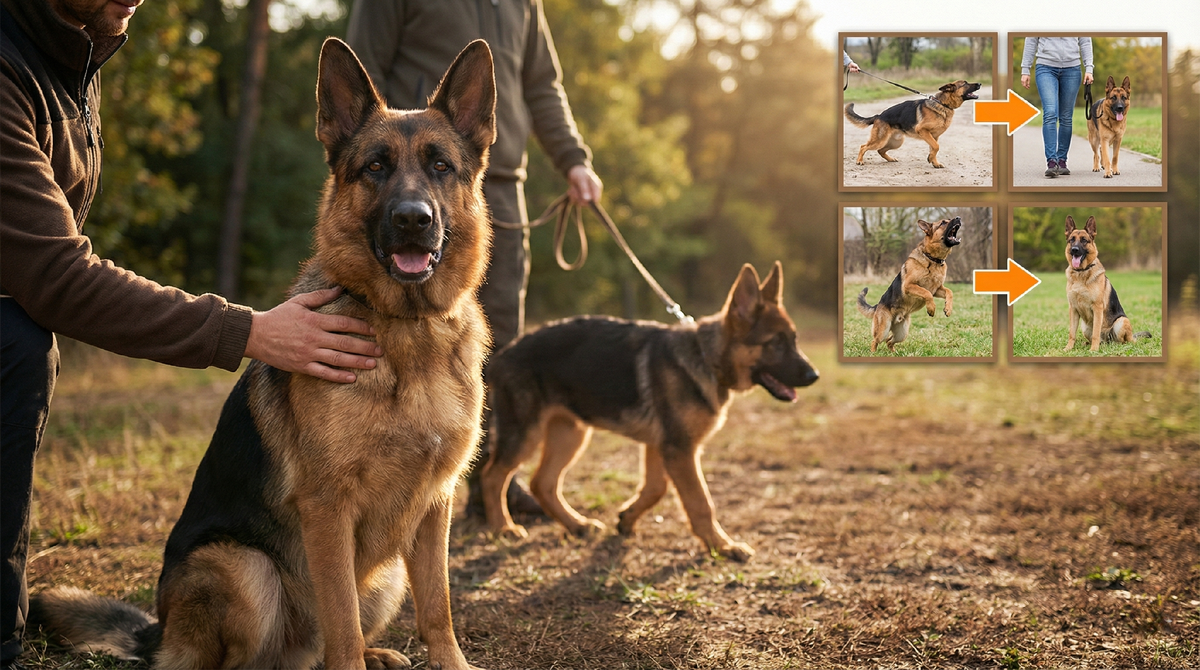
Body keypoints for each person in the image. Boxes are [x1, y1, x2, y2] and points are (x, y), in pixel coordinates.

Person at [0, 0, 382, 665]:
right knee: (17, 338)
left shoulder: (71, 47)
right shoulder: (14, 62)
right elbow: (52, 273)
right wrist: (247, 331)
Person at [346, 0, 604, 518]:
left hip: (494, 185)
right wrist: (387, 172)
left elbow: (541, 86)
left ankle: (492, 483)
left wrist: (573, 159)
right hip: (405, 190)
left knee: (501, 342)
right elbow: (362, 72)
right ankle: (385, 482)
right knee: (386, 331)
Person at [1020, 37, 1093, 178]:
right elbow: (1031, 39)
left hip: (1072, 69)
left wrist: (1089, 68)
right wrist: (1025, 69)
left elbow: (1085, 41)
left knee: (1066, 117)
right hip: (1045, 67)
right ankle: (1052, 162)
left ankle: (1062, 160)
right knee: (1050, 112)